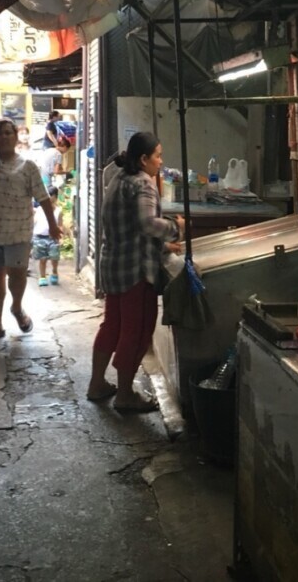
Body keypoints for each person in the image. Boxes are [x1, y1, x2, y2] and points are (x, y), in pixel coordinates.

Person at [89, 131, 182, 412]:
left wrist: (165, 247)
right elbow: (146, 223)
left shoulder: (118, 177)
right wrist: (175, 226)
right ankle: (126, 394)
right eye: (157, 156)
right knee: (136, 330)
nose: (160, 162)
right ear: (144, 159)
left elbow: (131, 226)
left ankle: (97, 384)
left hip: (113, 265)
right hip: (135, 272)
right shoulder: (143, 183)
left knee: (112, 326)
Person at [0, 118, 60, 344]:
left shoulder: (27, 166)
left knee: (17, 275)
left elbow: (43, 198)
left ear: (16, 137)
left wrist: (52, 225)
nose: (3, 137)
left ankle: (17, 308)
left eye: (8, 133)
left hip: (18, 231)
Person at [32, 204, 62, 286]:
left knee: (54, 257)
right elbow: (33, 222)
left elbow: (60, 225)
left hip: (53, 238)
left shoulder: (58, 211)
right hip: (40, 237)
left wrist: (60, 238)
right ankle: (42, 277)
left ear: (55, 198)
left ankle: (54, 271)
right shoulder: (38, 210)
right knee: (42, 258)